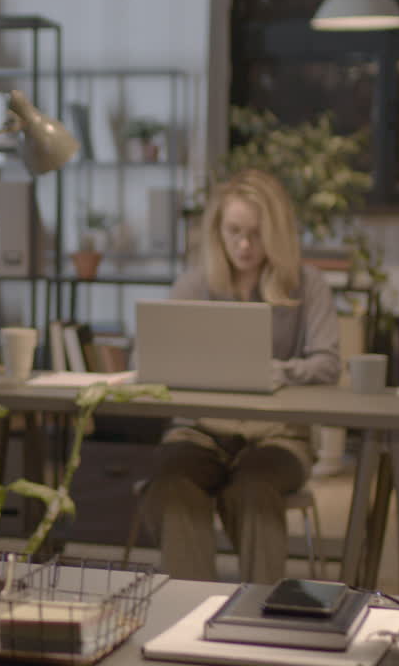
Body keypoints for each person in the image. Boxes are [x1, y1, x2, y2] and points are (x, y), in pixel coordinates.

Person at [141, 168, 340, 584]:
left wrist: (273, 371)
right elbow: (148, 359)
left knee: (254, 491)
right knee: (172, 485)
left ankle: (259, 611)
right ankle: (187, 610)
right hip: (196, 432)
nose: (245, 245)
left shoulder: (309, 285)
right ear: (217, 231)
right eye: (234, 231)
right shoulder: (193, 285)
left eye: (256, 233)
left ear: (277, 233)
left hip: (279, 436)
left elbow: (327, 363)